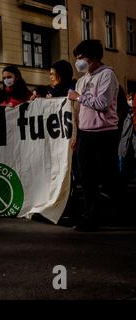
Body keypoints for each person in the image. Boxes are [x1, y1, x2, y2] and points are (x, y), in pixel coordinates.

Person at [68, 39, 120, 231]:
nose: (78, 62)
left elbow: (102, 104)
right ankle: (90, 216)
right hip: (85, 134)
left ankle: (116, 211)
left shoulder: (107, 75)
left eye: (81, 58)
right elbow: (76, 111)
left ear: (93, 58)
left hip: (104, 133)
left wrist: (79, 97)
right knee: (86, 177)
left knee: (107, 176)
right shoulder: (82, 80)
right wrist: (75, 135)